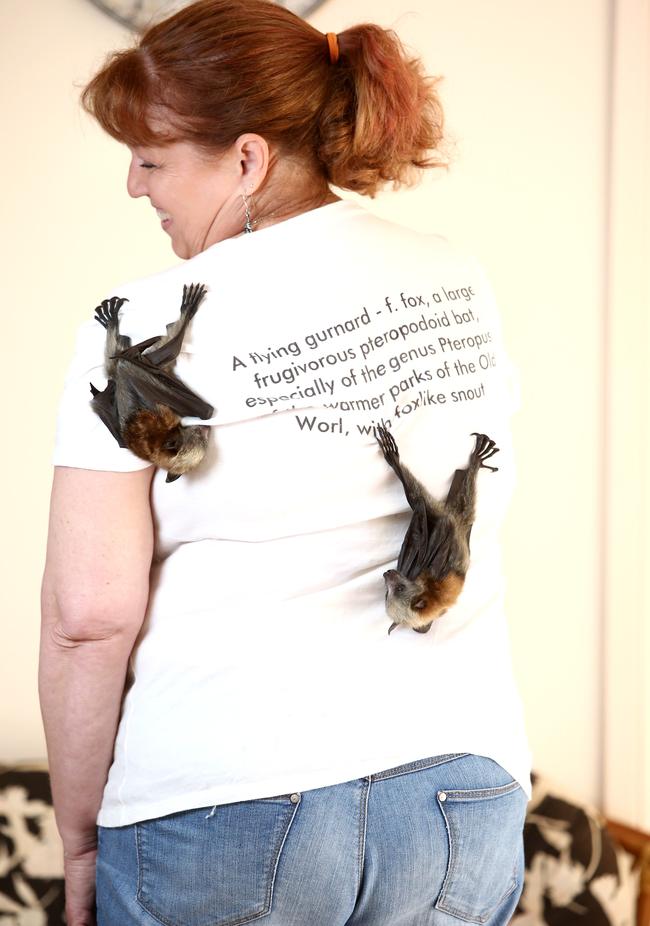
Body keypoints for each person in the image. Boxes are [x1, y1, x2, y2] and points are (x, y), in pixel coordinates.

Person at [39, 1, 532, 924]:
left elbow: (88, 618)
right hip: (458, 795)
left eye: (152, 160)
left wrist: (77, 840)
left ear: (248, 159)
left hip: (227, 804)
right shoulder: (456, 280)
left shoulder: (137, 323)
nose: (136, 188)